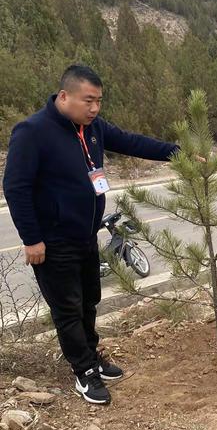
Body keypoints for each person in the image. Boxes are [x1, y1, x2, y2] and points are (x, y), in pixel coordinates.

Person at [3, 65, 181, 404]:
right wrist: (31, 239)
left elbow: (131, 142)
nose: (95, 108)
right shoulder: (32, 132)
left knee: (89, 301)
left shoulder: (93, 127)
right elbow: (15, 187)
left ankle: (91, 356)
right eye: (89, 100)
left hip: (86, 236)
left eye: (99, 101)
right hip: (53, 242)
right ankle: (83, 372)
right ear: (65, 96)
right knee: (67, 308)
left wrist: (176, 152)